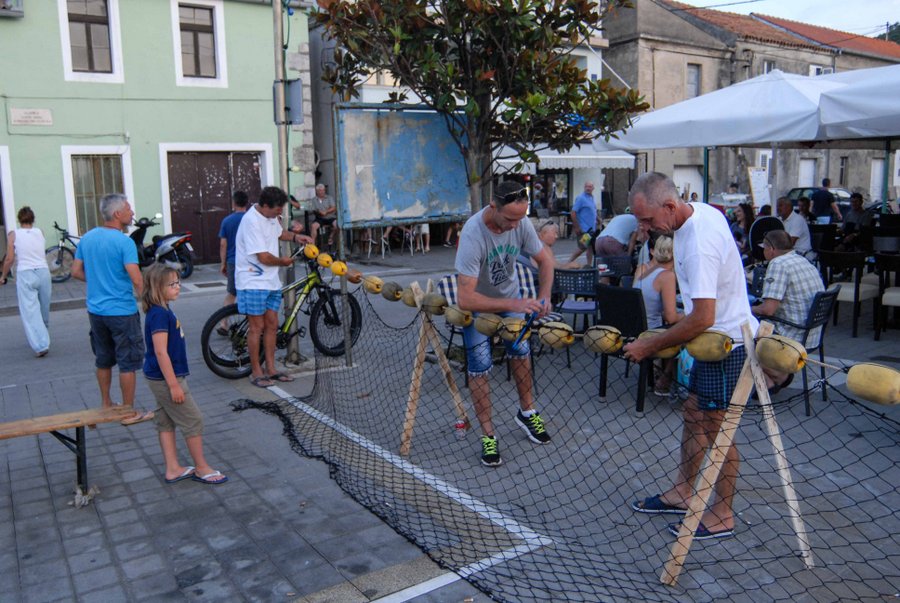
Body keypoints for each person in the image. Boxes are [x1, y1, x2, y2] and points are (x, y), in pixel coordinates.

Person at [624, 172, 758, 541]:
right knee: (694, 412)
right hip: (711, 339)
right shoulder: (695, 213)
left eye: (648, 220)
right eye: (640, 220)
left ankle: (722, 514)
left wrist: (649, 346)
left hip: (725, 343)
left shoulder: (697, 241)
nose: (645, 228)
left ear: (669, 205)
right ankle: (684, 491)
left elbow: (703, 316)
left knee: (718, 427)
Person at [456, 180, 554, 467]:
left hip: (511, 299)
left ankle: (527, 412)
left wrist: (545, 296)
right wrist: (515, 304)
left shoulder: (520, 223)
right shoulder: (473, 235)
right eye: (510, 218)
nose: (516, 226)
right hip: (479, 306)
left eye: (520, 218)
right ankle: (488, 435)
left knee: (522, 352)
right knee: (480, 366)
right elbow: (465, 298)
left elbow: (545, 261)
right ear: (493, 207)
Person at [141, 264, 227, 485]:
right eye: (172, 284)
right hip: (166, 378)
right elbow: (160, 351)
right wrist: (173, 385)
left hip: (159, 377)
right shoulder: (159, 314)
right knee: (193, 420)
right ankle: (201, 468)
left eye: (178, 282)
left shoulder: (162, 309)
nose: (178, 287)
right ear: (156, 288)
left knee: (166, 420)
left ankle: (173, 468)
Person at [71, 193, 154, 423]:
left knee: (103, 359)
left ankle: (106, 404)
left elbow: (75, 271)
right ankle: (128, 412)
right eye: (129, 208)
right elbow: (137, 279)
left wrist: (98, 280)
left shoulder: (87, 238)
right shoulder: (124, 242)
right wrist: (149, 303)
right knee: (128, 363)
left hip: (96, 312)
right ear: (118, 214)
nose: (132, 213)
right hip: (122, 312)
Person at [235, 186, 313, 388]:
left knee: (272, 325)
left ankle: (271, 368)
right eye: (278, 209)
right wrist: (284, 262)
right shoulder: (251, 221)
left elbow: (280, 234)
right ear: (265, 205)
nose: (281, 213)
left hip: (271, 282)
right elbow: (264, 257)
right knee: (256, 327)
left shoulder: (270, 217)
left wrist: (297, 237)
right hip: (252, 281)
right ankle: (256, 371)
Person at [751, 230, 824, 391]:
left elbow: (768, 310)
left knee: (740, 331)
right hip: (812, 334)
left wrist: (747, 309)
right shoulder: (803, 260)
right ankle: (771, 378)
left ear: (771, 249)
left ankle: (775, 377)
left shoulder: (778, 264)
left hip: (793, 335)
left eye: (764, 248)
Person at [633, 234, 682, 395]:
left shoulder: (647, 271)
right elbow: (671, 317)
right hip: (650, 331)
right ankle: (666, 379)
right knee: (687, 330)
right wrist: (692, 314)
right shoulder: (667, 276)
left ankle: (663, 375)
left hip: (637, 327)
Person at [0, 206, 52, 357]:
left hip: (26, 273)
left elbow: (9, 259)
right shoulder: (40, 232)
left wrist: (3, 275)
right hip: (43, 272)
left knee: (30, 311)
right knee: (43, 307)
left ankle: (41, 344)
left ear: (19, 219)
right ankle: (43, 335)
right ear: (33, 219)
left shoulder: (13, 235)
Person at [216, 190, 249, 335]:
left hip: (232, 261)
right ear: (246, 203)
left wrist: (222, 263)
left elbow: (223, 244)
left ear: (234, 203)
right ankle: (251, 324)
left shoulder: (227, 221)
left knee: (231, 293)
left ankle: (224, 324)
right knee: (249, 293)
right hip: (249, 262)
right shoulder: (250, 219)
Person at [568, 181, 597, 265]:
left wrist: (598, 219)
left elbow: (592, 210)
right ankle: (569, 262)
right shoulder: (581, 198)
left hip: (591, 228)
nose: (588, 188)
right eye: (586, 186)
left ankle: (589, 265)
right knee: (583, 247)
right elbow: (573, 213)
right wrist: (577, 227)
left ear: (593, 188)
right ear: (584, 187)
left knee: (590, 247)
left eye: (590, 187)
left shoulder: (591, 197)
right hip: (584, 228)